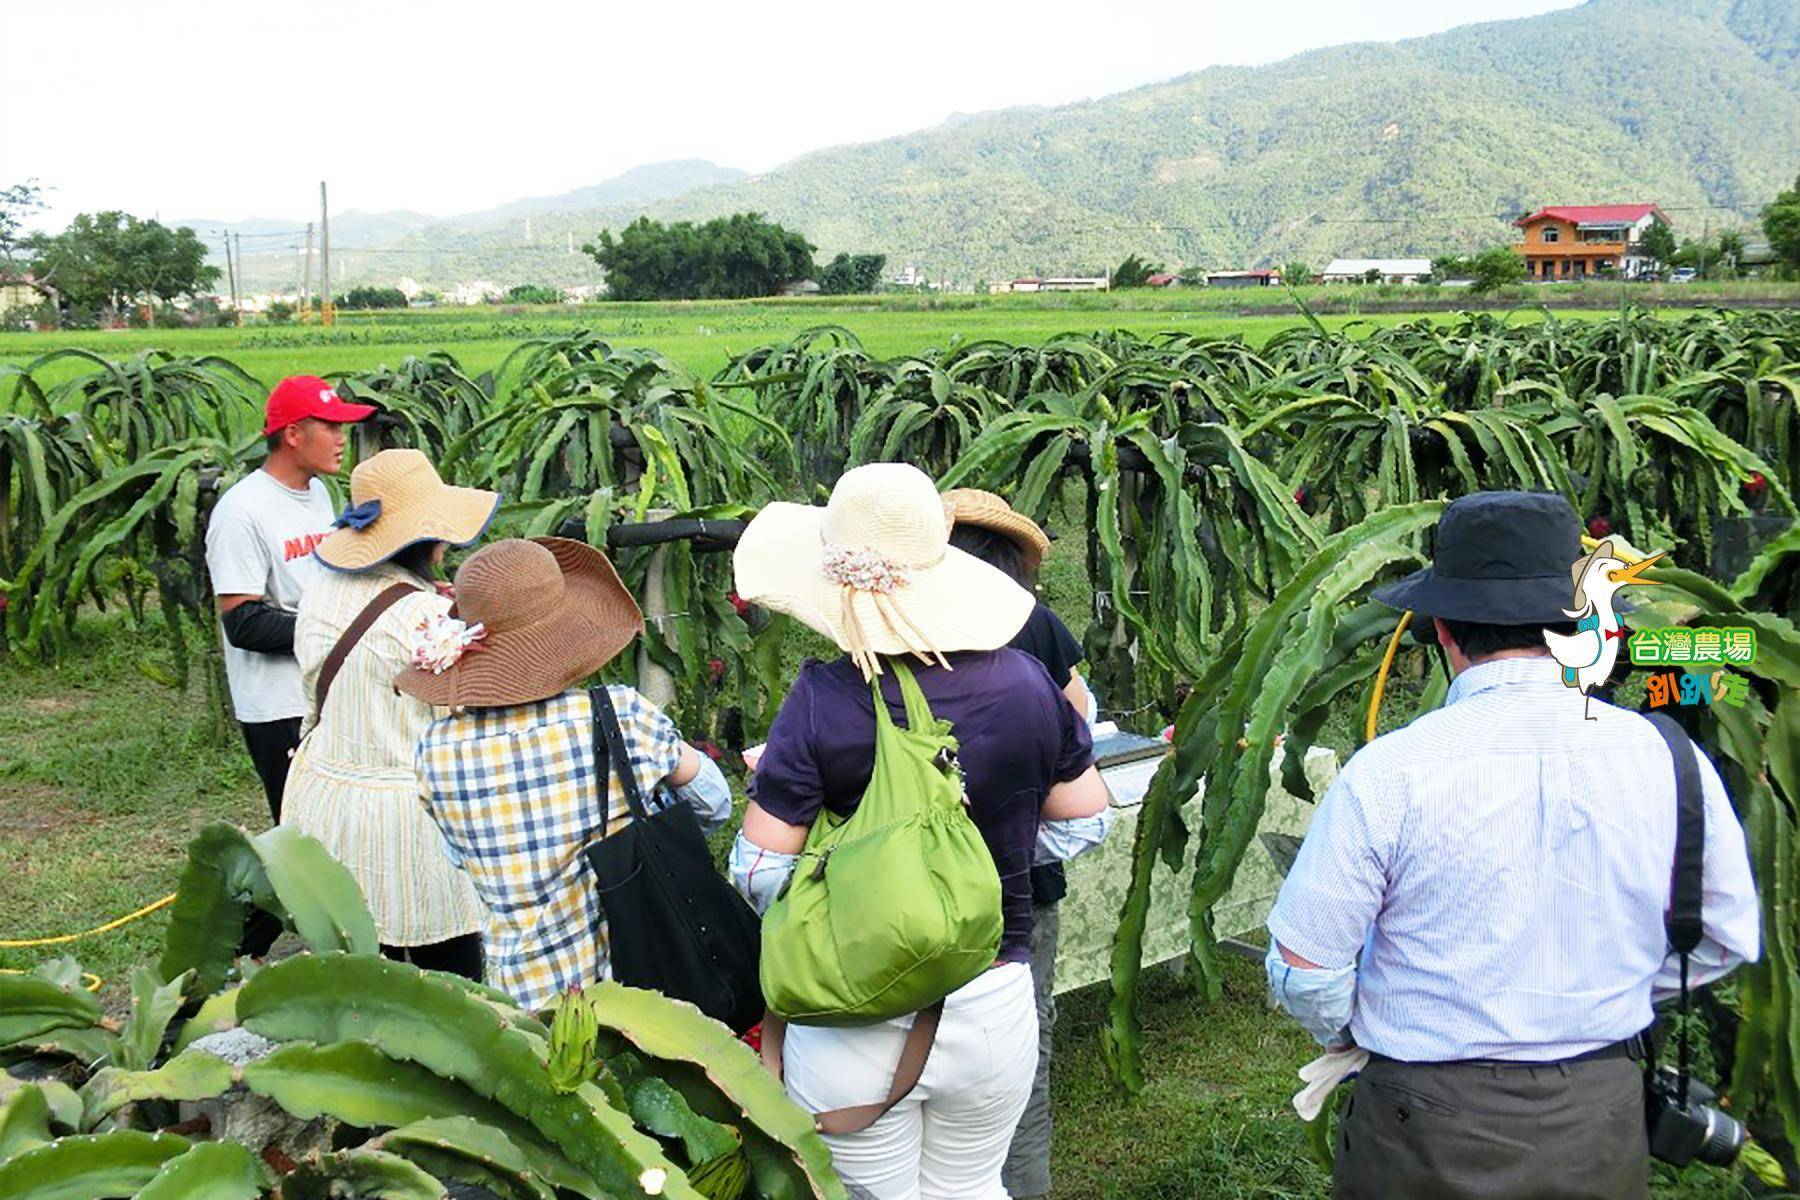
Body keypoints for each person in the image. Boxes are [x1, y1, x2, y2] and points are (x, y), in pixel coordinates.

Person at [1265, 491, 1760, 1200]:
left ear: (1441, 631)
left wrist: (1360, 1025)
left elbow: (1307, 966)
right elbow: (1725, 937)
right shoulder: (1670, 759)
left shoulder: (1389, 772)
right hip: (1600, 1115)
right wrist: (1604, 994)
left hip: (1421, 1123)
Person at [728, 463, 1108, 1200]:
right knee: (972, 1187)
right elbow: (1087, 818)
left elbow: (757, 873)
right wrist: (985, 857)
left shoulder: (822, 699)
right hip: (995, 992)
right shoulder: (1028, 680)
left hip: (853, 1007)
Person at [400, 536, 732, 1013]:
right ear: (567, 631)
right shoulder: (617, 715)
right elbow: (714, 802)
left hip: (525, 998)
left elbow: (459, 857)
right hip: (641, 984)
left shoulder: (435, 752)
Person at [945, 487, 1107, 1200]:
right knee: (1017, 1063)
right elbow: (1080, 722)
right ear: (1014, 560)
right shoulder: (1032, 625)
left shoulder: (877, 631)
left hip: (899, 893)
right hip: (1018, 889)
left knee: (911, 1062)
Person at [282, 449, 496, 980]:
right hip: (407, 819)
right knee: (448, 976)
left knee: (356, 974)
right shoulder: (428, 617)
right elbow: (465, 712)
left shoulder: (321, 590)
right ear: (431, 537)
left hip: (325, 799)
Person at [204, 375, 374, 824]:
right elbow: (243, 623)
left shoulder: (317, 492)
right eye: (331, 427)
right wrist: (343, 629)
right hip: (277, 704)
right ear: (294, 434)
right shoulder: (242, 512)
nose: (342, 439)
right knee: (301, 836)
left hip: (320, 690)